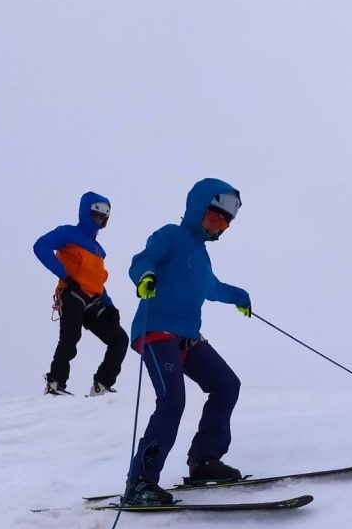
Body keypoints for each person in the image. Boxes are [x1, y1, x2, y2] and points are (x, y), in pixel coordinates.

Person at [123, 178, 251, 507]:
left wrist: (240, 297)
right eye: (215, 215)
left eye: (226, 221)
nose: (220, 224)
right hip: (156, 330)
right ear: (197, 209)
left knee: (226, 384)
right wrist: (145, 277)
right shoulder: (171, 235)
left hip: (188, 337)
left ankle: (204, 460)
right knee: (172, 400)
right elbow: (142, 260)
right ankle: (140, 483)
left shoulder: (202, 256)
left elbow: (211, 288)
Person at [33, 191, 128, 397]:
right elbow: (41, 246)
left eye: (104, 217)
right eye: (96, 215)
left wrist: (109, 304)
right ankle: (55, 384)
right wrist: (64, 276)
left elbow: (97, 281)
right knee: (70, 336)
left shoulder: (98, 250)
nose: (100, 220)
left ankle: (101, 386)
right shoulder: (68, 233)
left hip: (93, 301)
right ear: (86, 213)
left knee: (120, 339)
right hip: (72, 293)